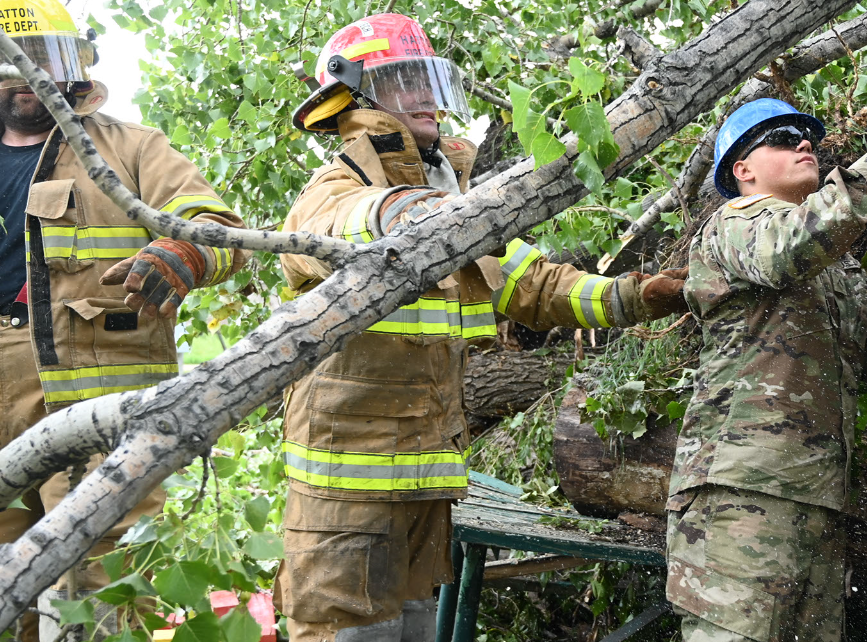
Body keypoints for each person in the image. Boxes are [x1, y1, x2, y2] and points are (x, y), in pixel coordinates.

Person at [278, 13, 687, 642]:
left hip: (426, 475)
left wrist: (632, 296)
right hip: (344, 487)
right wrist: (416, 211)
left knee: (413, 629)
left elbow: (533, 282)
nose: (425, 96)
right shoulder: (342, 183)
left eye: (428, 77)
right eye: (403, 79)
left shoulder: (455, 196)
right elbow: (325, 232)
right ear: (354, 94)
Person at [666, 98, 867, 641]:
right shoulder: (733, 228)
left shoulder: (840, 266)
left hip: (821, 498)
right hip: (741, 494)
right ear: (743, 169)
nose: (806, 143)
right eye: (783, 136)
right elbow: (786, 249)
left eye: (810, 137)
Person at [0, 1, 249, 639]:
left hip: (91, 404)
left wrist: (184, 251)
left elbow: (222, 232)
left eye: (41, 60)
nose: (24, 76)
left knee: (97, 578)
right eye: (8, 60)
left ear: (73, 65)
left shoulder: (132, 147)